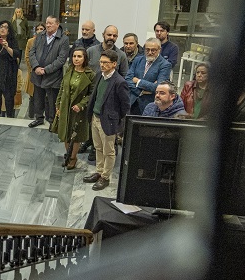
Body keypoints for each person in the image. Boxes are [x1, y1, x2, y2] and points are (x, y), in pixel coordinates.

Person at [83, 49, 130, 191]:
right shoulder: (99, 76)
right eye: (101, 62)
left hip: (108, 121)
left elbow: (125, 106)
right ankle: (99, 171)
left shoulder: (119, 82)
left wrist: (117, 124)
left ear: (114, 64)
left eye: (105, 63)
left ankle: (105, 177)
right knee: (97, 147)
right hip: (95, 117)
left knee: (108, 151)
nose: (102, 65)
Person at [50, 47, 95, 170]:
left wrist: (81, 105)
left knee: (76, 135)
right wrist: (58, 104)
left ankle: (73, 157)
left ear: (85, 58)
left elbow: (92, 94)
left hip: (78, 109)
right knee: (66, 132)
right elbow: (62, 88)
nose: (76, 59)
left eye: (79, 56)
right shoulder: (69, 69)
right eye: (74, 56)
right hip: (65, 106)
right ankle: (68, 154)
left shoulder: (90, 74)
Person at [28, 16, 70, 126]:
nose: (48, 25)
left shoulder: (63, 39)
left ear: (57, 24)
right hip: (37, 74)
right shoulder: (40, 36)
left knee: (52, 101)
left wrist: (46, 70)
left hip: (53, 76)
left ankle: (52, 121)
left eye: (51, 23)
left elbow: (61, 59)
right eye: (47, 23)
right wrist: (36, 67)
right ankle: (39, 118)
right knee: (38, 98)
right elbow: (31, 52)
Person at [125, 38, 172, 114]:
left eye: (153, 50)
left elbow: (158, 87)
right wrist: (140, 92)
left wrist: (138, 81)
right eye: (147, 50)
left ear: (159, 49)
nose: (150, 52)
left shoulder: (165, 65)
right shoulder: (137, 60)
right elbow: (127, 79)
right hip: (132, 102)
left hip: (150, 105)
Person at [23, 23, 45, 118]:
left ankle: (40, 116)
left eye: (42, 28)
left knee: (42, 96)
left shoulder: (48, 42)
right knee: (32, 96)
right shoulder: (30, 41)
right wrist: (33, 68)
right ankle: (31, 115)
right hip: (33, 72)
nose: (40, 30)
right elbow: (27, 57)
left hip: (44, 73)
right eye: (38, 28)